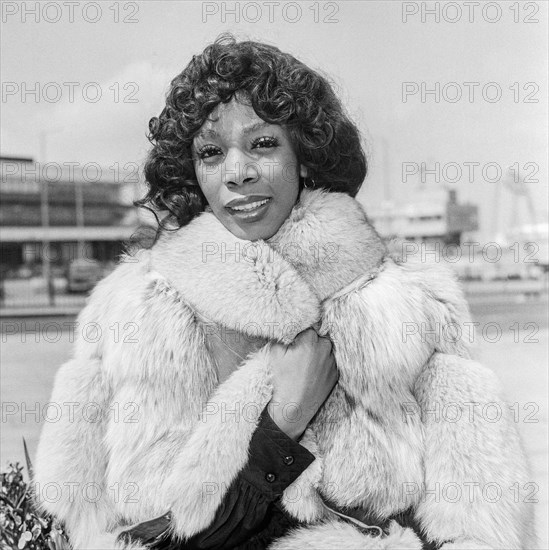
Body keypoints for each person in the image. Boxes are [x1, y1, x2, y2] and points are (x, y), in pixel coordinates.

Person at [34, 35, 535, 550]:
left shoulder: (403, 309)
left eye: (263, 143)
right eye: (211, 152)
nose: (237, 172)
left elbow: (481, 528)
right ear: (193, 172)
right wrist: (284, 423)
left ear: (306, 158)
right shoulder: (132, 317)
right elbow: (111, 535)